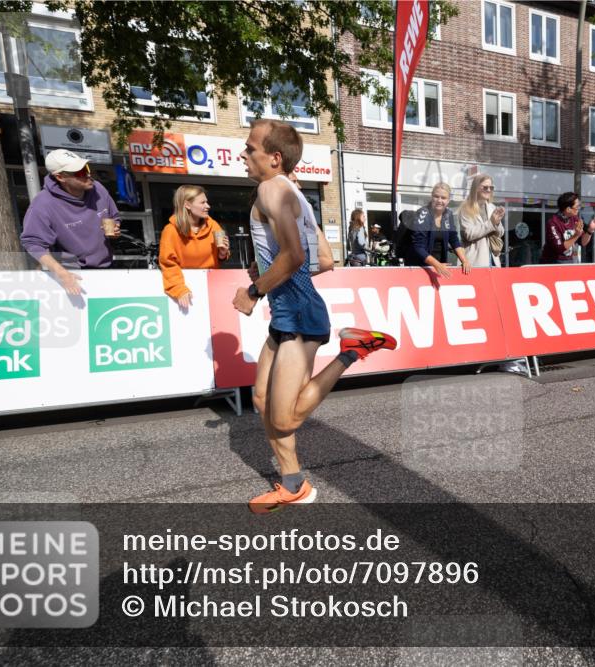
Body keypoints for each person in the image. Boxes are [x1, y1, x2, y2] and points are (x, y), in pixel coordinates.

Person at [230, 120, 396, 513]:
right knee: (260, 399)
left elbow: (296, 257)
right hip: (290, 311)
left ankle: (351, 352)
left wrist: (255, 290)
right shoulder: (297, 195)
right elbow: (324, 260)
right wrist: (270, 269)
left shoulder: (270, 189)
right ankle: (293, 484)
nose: (243, 154)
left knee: (284, 419)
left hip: (300, 315)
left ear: (274, 158)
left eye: (250, 148)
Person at [20, 149, 120, 295]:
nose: (88, 175)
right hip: (70, 275)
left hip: (106, 269)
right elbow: (33, 243)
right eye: (79, 173)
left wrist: (114, 231)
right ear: (60, 177)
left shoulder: (98, 189)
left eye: (86, 168)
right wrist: (61, 273)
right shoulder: (43, 204)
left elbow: (113, 217)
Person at [158, 185, 230, 310]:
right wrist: (179, 289)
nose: (208, 206)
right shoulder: (170, 231)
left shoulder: (214, 226)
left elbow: (221, 257)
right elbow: (168, 264)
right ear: (187, 205)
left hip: (211, 287)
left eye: (206, 202)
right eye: (203, 202)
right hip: (185, 290)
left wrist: (223, 253)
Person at [404, 182, 471, 276]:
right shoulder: (423, 214)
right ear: (432, 197)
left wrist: (464, 260)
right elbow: (418, 247)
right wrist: (436, 265)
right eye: (436, 196)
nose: (439, 200)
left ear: (448, 200)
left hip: (439, 265)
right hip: (420, 267)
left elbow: (453, 239)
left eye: (443, 198)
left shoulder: (448, 214)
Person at [540, 192, 595, 264]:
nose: (579, 209)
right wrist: (576, 234)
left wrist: (590, 229)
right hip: (552, 263)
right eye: (577, 207)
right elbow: (560, 248)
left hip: (569, 260)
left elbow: (583, 242)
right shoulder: (553, 223)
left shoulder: (574, 219)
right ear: (568, 209)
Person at [459, 174, 506, 267]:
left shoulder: (492, 207)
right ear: (476, 188)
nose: (488, 190)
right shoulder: (466, 208)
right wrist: (491, 223)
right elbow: (469, 234)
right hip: (475, 261)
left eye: (491, 187)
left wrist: (497, 222)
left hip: (494, 260)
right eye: (485, 187)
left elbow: (501, 233)